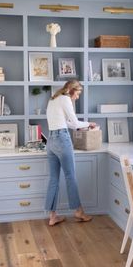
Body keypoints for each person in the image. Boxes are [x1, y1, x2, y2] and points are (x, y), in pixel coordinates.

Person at [45, 80, 97, 226]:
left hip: (51, 141)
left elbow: (64, 122)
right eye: (78, 93)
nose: (78, 97)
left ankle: (52, 216)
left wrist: (80, 125)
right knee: (70, 177)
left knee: (54, 179)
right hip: (62, 139)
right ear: (71, 90)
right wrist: (89, 124)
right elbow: (74, 124)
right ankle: (79, 212)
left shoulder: (53, 99)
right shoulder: (66, 99)